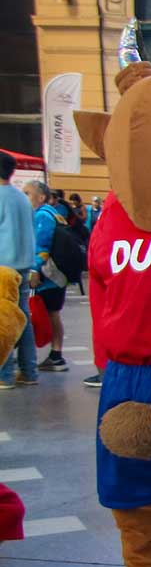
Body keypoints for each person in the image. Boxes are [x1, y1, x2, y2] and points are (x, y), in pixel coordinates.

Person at [0, 151, 38, 390]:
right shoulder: (21, 197)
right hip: (23, 265)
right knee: (22, 318)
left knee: (3, 321)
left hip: (3, 267)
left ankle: (4, 374)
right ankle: (29, 370)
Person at [24, 180, 69, 374]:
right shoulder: (54, 213)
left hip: (48, 275)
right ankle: (55, 355)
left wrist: (34, 269)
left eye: (27, 193)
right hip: (57, 274)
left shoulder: (42, 215)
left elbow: (42, 245)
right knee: (53, 313)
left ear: (41, 197)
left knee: (51, 313)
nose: (24, 196)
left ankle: (56, 356)